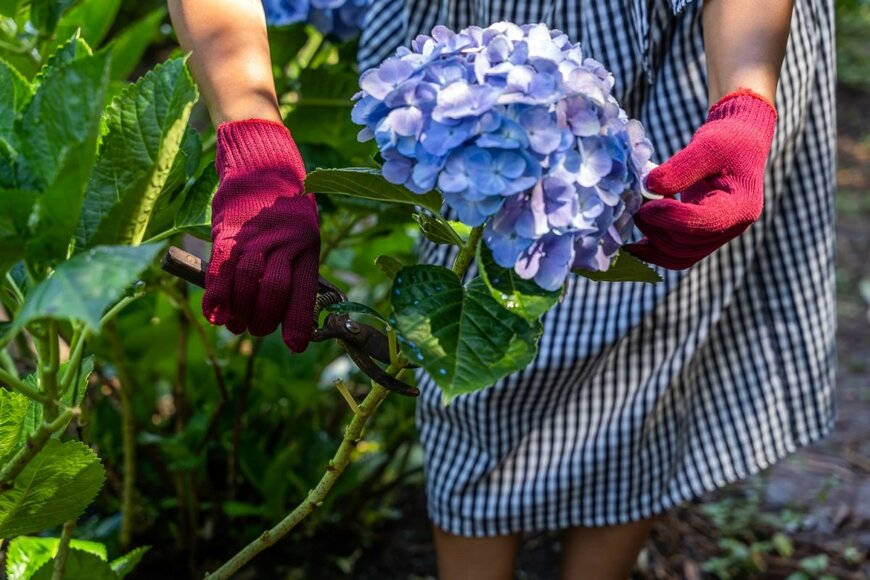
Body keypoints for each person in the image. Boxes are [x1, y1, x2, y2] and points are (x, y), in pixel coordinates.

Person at [167, 0, 836, 577]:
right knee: (473, 388)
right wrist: (251, 133)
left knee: (660, 342)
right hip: (492, 67)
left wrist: (746, 103)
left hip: (718, 43)